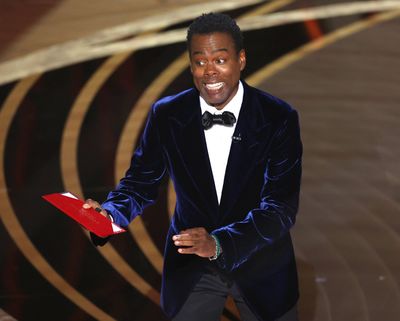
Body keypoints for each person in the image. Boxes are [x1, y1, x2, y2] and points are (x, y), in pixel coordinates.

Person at [84, 12, 302, 321]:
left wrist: (219, 244)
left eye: (220, 60)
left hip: (260, 261)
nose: (209, 72)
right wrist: (110, 214)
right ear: (190, 66)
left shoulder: (278, 117)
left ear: (241, 60)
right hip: (192, 266)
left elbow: (281, 208)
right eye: (200, 62)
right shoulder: (167, 114)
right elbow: (141, 182)